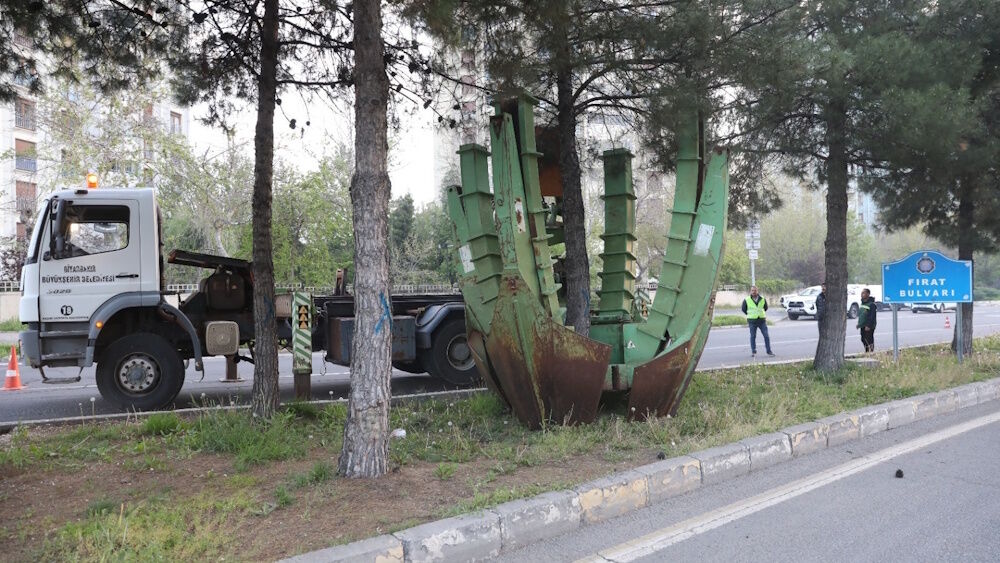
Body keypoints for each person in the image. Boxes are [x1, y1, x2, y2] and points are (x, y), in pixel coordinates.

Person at [742, 285, 774, 357]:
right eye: (752, 290)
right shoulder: (747, 299)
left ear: (757, 291)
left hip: (761, 320)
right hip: (752, 321)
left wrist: (760, 314)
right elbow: (743, 309)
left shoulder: (762, 299)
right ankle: (753, 351)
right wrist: (750, 315)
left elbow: (766, 307)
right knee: (753, 336)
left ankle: (769, 351)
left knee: (766, 336)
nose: (753, 292)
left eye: (755, 290)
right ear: (750, 291)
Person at [857, 287, 877, 352]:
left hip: (869, 326)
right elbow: (862, 315)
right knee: (863, 339)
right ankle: (867, 350)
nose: (862, 294)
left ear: (868, 294)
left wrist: (868, 325)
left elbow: (872, 316)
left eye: (863, 293)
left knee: (869, 339)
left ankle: (870, 351)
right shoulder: (862, 303)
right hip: (863, 325)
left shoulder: (872, 305)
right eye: (861, 293)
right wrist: (859, 324)